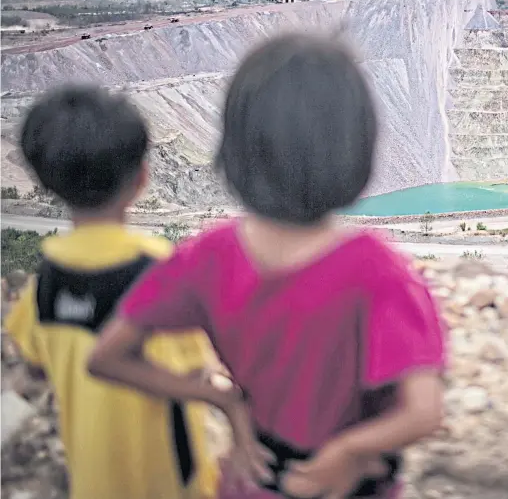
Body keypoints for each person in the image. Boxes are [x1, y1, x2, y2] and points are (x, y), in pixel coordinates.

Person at [88, 34, 446, 499]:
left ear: (236, 150)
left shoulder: (208, 255)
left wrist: (224, 400)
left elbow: (107, 357)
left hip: (254, 478)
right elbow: (424, 412)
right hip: (348, 485)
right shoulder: (380, 272)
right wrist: (348, 452)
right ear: (357, 149)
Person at [4, 85, 259, 499]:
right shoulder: (160, 271)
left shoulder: (44, 286)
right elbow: (198, 369)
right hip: (171, 481)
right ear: (141, 179)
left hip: (93, 484)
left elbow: (36, 365)